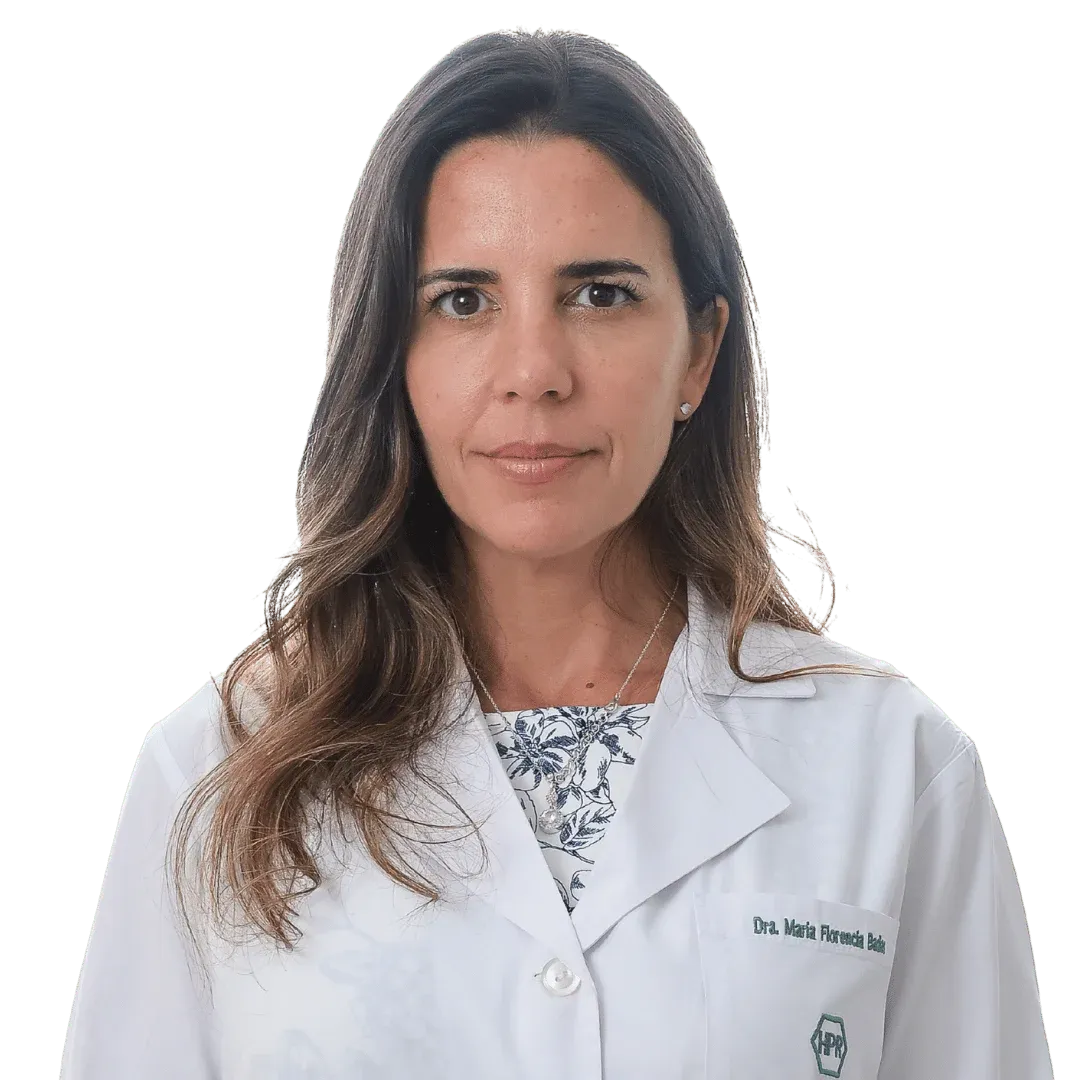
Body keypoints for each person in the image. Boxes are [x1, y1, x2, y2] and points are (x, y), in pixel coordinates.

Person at [58, 25, 1054, 1080]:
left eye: (600, 294)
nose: (534, 371)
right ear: (392, 354)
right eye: (463, 301)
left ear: (699, 352)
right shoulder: (214, 776)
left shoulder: (894, 768)